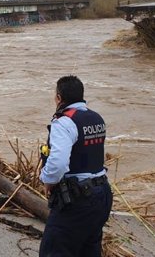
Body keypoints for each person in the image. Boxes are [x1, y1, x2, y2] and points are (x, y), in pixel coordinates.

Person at [39, 75, 113, 257]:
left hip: (77, 200)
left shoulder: (64, 122)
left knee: (54, 251)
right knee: (88, 250)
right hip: (102, 195)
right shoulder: (96, 118)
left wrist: (47, 180)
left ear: (58, 97)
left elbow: (58, 163)